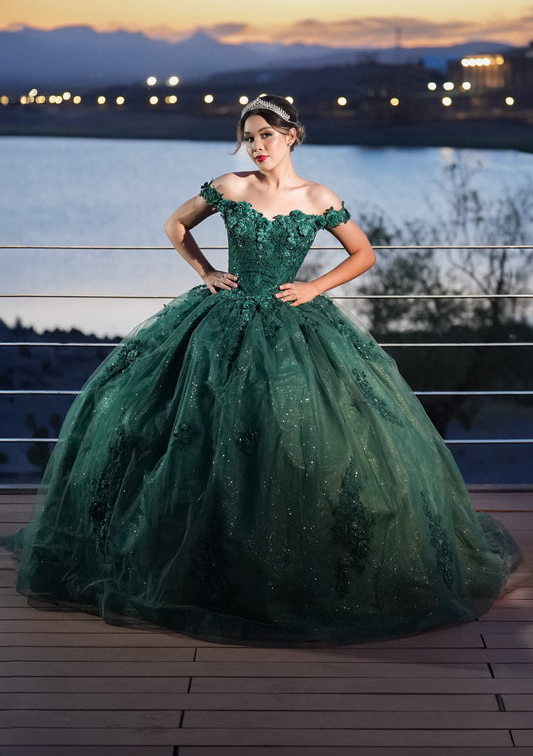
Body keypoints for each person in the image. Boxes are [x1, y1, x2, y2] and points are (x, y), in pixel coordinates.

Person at [15, 94, 522, 645]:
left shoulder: (319, 197)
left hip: (294, 322)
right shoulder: (231, 186)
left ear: (292, 135)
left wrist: (313, 287)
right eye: (249, 137)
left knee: (299, 436)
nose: (257, 147)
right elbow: (175, 225)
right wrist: (206, 270)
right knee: (192, 430)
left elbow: (363, 254)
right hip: (223, 318)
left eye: (266, 136)